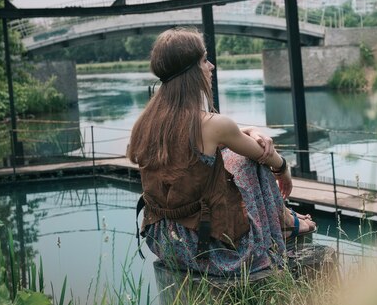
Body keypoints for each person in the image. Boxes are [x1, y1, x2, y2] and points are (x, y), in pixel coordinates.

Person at [127, 27, 315, 276]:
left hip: (166, 243)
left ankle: (285, 220)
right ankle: (285, 222)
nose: (211, 66)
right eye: (204, 60)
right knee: (249, 161)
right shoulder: (211, 125)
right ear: (191, 72)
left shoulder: (145, 122)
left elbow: (219, 140)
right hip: (208, 248)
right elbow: (263, 153)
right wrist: (284, 170)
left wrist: (249, 129)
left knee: (231, 154)